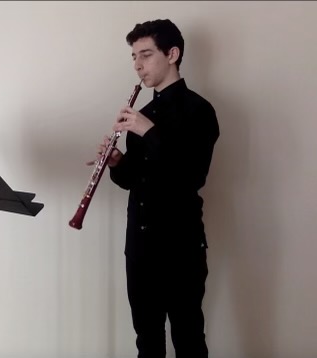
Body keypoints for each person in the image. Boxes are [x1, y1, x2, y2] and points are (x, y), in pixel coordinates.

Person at [90, 19, 219, 357]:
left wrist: (149, 131)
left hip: (181, 244)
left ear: (172, 54)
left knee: (188, 337)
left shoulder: (199, 111)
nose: (138, 64)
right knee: (147, 340)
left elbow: (191, 176)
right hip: (141, 244)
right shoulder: (142, 113)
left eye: (146, 54)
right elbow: (136, 180)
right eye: (134, 56)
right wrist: (118, 162)